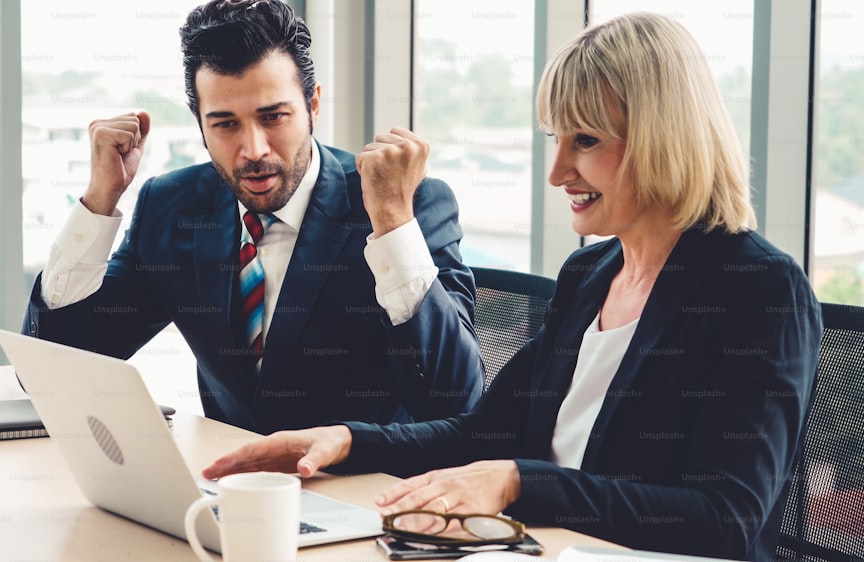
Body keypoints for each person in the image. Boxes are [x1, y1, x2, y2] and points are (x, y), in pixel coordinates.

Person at [201, 12, 823, 561]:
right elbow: (483, 433)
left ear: (665, 137)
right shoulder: (591, 275)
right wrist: (345, 440)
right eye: (557, 139)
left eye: (585, 141)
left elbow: (728, 521)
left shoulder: (760, 290)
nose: (557, 172)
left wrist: (520, 482)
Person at [21, 0, 483, 434]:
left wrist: (392, 223)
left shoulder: (409, 206)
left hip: (369, 493)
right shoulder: (173, 207)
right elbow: (55, 371)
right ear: (199, 121)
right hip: (232, 493)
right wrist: (99, 200)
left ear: (313, 106)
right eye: (225, 124)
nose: (254, 150)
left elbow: (457, 403)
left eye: (274, 117)